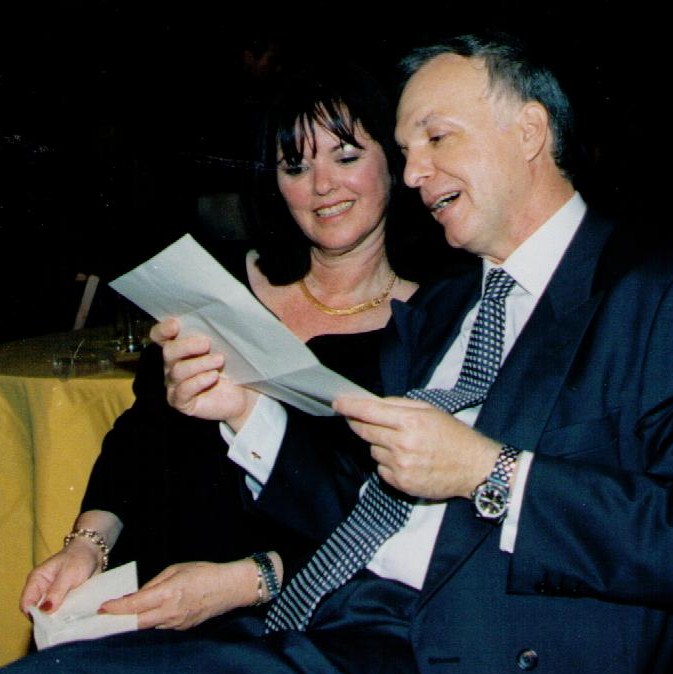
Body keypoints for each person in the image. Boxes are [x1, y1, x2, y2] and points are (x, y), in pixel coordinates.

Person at [2, 29, 673, 674]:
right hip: (333, 626)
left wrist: (493, 474)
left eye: (435, 139)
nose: (412, 175)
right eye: (406, 151)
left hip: (473, 647)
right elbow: (363, 497)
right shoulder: (448, 307)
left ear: (529, 132)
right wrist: (242, 408)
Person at [14, 57, 422, 634]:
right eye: (295, 166)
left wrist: (238, 584)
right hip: (146, 594)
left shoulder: (430, 324)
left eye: (346, 157)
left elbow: (396, 527)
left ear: (394, 163)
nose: (322, 185)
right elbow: (142, 436)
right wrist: (86, 547)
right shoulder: (218, 285)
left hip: (298, 614)